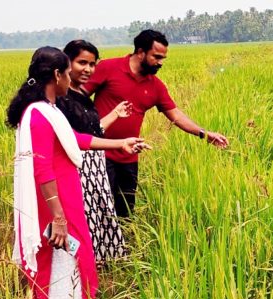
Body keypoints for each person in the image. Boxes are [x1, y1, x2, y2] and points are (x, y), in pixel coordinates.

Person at [6, 46, 147, 299]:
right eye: (68, 73)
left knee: (70, 266)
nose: (72, 79)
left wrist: (119, 143)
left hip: (66, 202)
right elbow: (42, 169)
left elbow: (77, 140)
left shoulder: (50, 109)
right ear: (57, 75)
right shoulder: (39, 115)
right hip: (56, 209)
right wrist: (57, 218)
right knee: (58, 270)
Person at [83, 29, 230, 218]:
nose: (161, 62)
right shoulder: (108, 68)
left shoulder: (156, 86)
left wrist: (204, 133)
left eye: (163, 58)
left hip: (129, 158)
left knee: (125, 213)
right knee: (99, 212)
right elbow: (77, 97)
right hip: (99, 153)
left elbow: (175, 115)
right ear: (141, 52)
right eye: (157, 57)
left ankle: (121, 247)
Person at [57, 39, 134, 265]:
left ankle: (98, 266)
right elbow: (74, 139)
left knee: (99, 214)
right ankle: (77, 268)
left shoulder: (80, 93)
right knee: (82, 217)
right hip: (78, 168)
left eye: (93, 64)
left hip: (96, 168)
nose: (89, 69)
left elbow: (92, 130)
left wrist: (115, 114)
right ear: (67, 62)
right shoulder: (61, 98)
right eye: (82, 62)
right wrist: (119, 143)